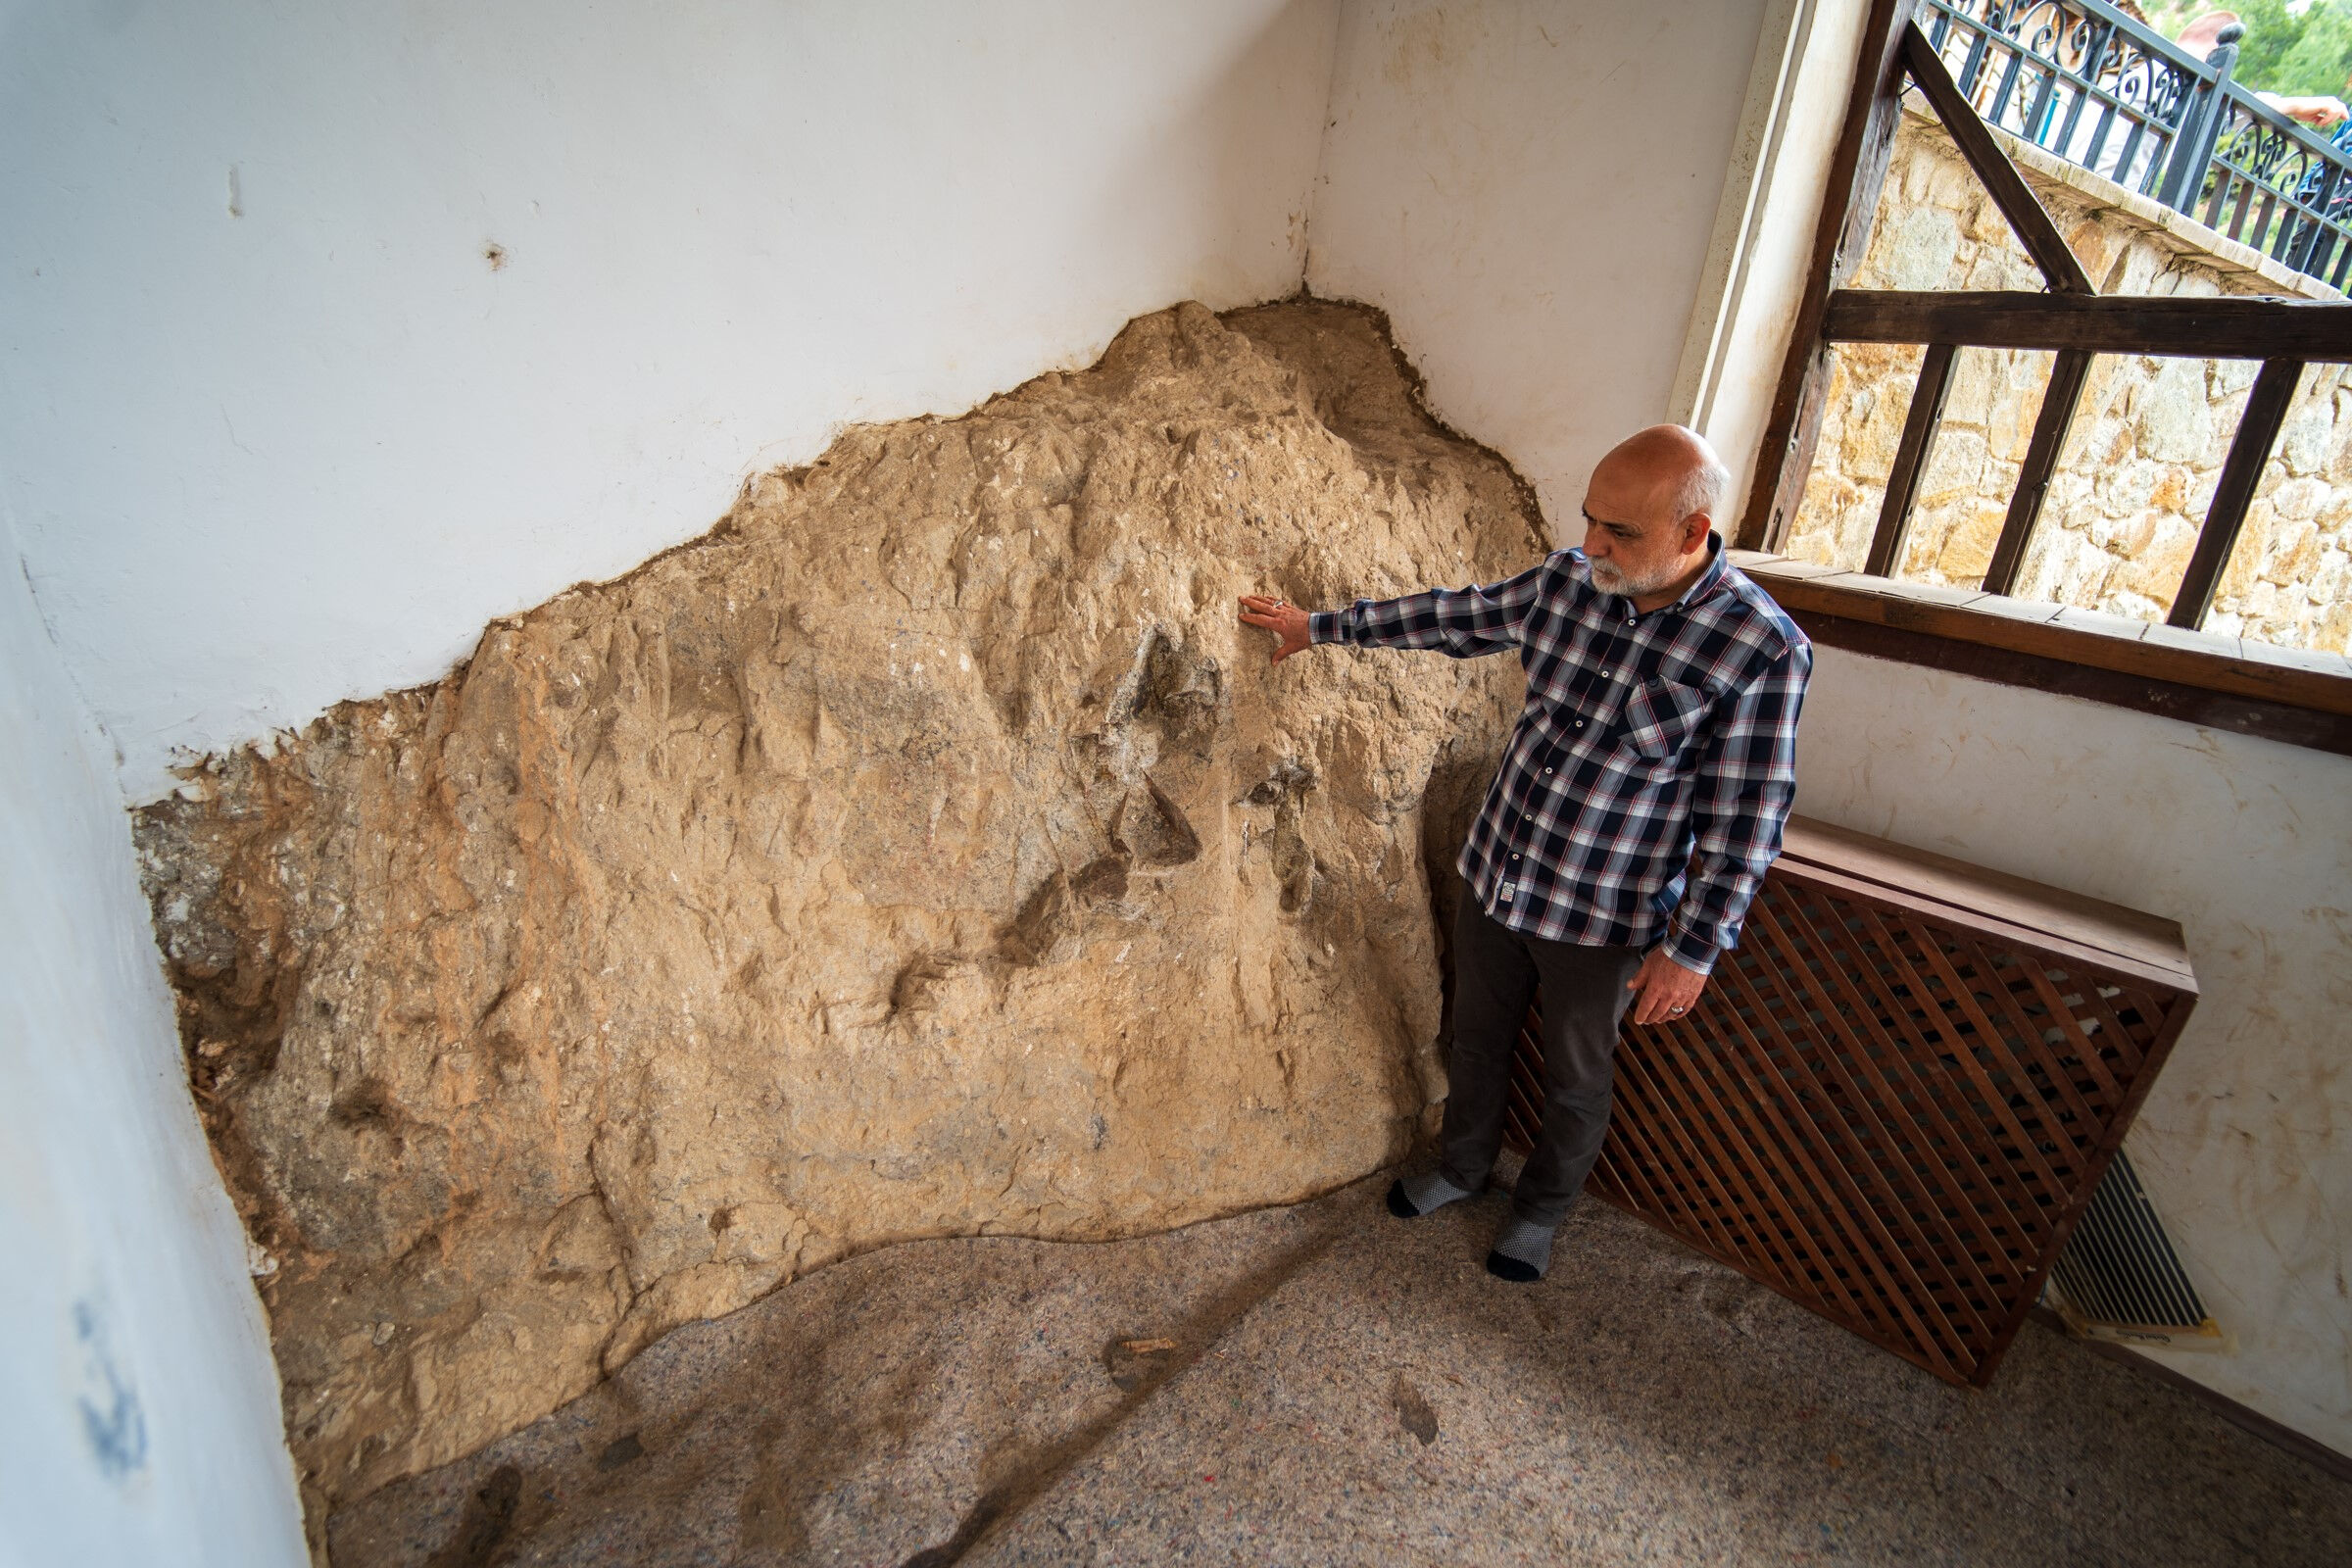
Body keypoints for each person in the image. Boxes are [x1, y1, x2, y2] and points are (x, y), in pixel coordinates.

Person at [1238, 425, 1810, 1284]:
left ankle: (1540, 1212)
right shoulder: (1569, 583)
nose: (1592, 546)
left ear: (1693, 533)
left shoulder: (1761, 649)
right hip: (1499, 871)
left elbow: (1748, 817)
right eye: (1591, 520)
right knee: (1476, 1037)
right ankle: (1463, 1170)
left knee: (1576, 1079)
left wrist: (1692, 949)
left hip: (1604, 913)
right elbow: (1453, 617)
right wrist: (1319, 627)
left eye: (1621, 533)